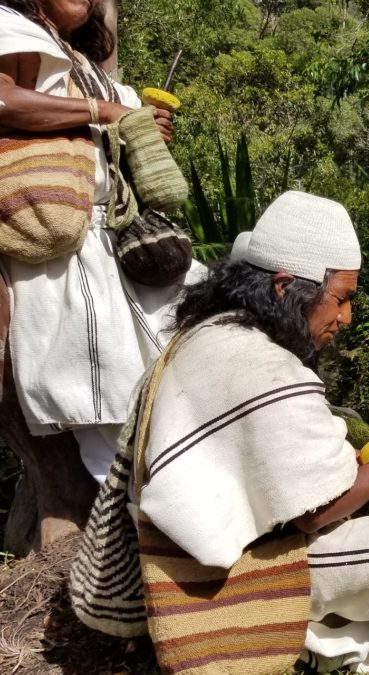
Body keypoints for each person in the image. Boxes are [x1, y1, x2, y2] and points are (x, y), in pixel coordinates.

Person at [76, 191, 369, 672]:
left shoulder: (209, 334)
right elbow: (314, 515)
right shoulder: (263, 365)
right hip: (222, 582)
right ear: (284, 287)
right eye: (341, 299)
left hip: (173, 566)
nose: (346, 318)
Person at [0, 0, 190, 484]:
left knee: (169, 394)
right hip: (59, 241)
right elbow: (5, 100)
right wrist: (107, 111)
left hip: (117, 241)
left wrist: (144, 130)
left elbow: (111, 132)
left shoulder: (84, 62)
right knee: (108, 411)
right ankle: (129, 537)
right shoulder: (9, 27)